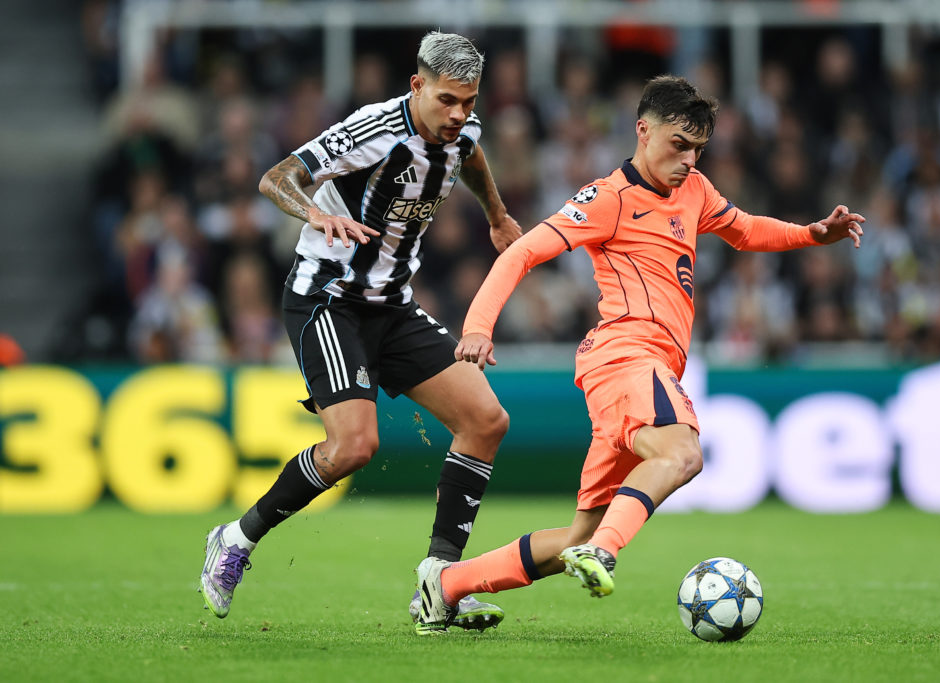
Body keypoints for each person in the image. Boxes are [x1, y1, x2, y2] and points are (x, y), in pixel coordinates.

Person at [414, 75, 864, 633]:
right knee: (682, 454)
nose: (689, 159)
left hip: (639, 368)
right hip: (626, 355)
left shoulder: (694, 190)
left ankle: (446, 585)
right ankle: (605, 552)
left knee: (574, 538)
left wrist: (813, 235)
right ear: (642, 130)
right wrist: (478, 326)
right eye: (679, 144)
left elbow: (745, 230)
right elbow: (524, 251)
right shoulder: (609, 198)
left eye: (698, 148)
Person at [200, 31, 523, 631]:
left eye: (469, 102)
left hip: (391, 305)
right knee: (354, 447)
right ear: (417, 85)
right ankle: (236, 539)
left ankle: (441, 583)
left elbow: (471, 158)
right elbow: (277, 177)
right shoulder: (372, 130)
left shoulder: (464, 135)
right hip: (328, 298)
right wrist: (315, 212)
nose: (458, 115)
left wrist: (498, 217)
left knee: (486, 421)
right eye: (447, 100)